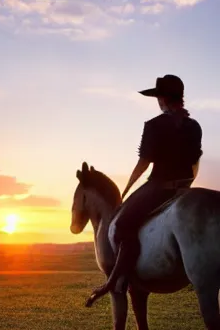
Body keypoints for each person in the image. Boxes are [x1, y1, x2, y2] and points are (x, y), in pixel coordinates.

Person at [86, 74, 203, 304]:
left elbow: (144, 163)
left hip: (160, 187)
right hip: (185, 187)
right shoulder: (194, 126)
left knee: (121, 224)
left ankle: (118, 280)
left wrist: (127, 188)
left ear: (162, 99)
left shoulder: (154, 125)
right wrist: (186, 185)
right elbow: (193, 163)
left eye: (158, 97)